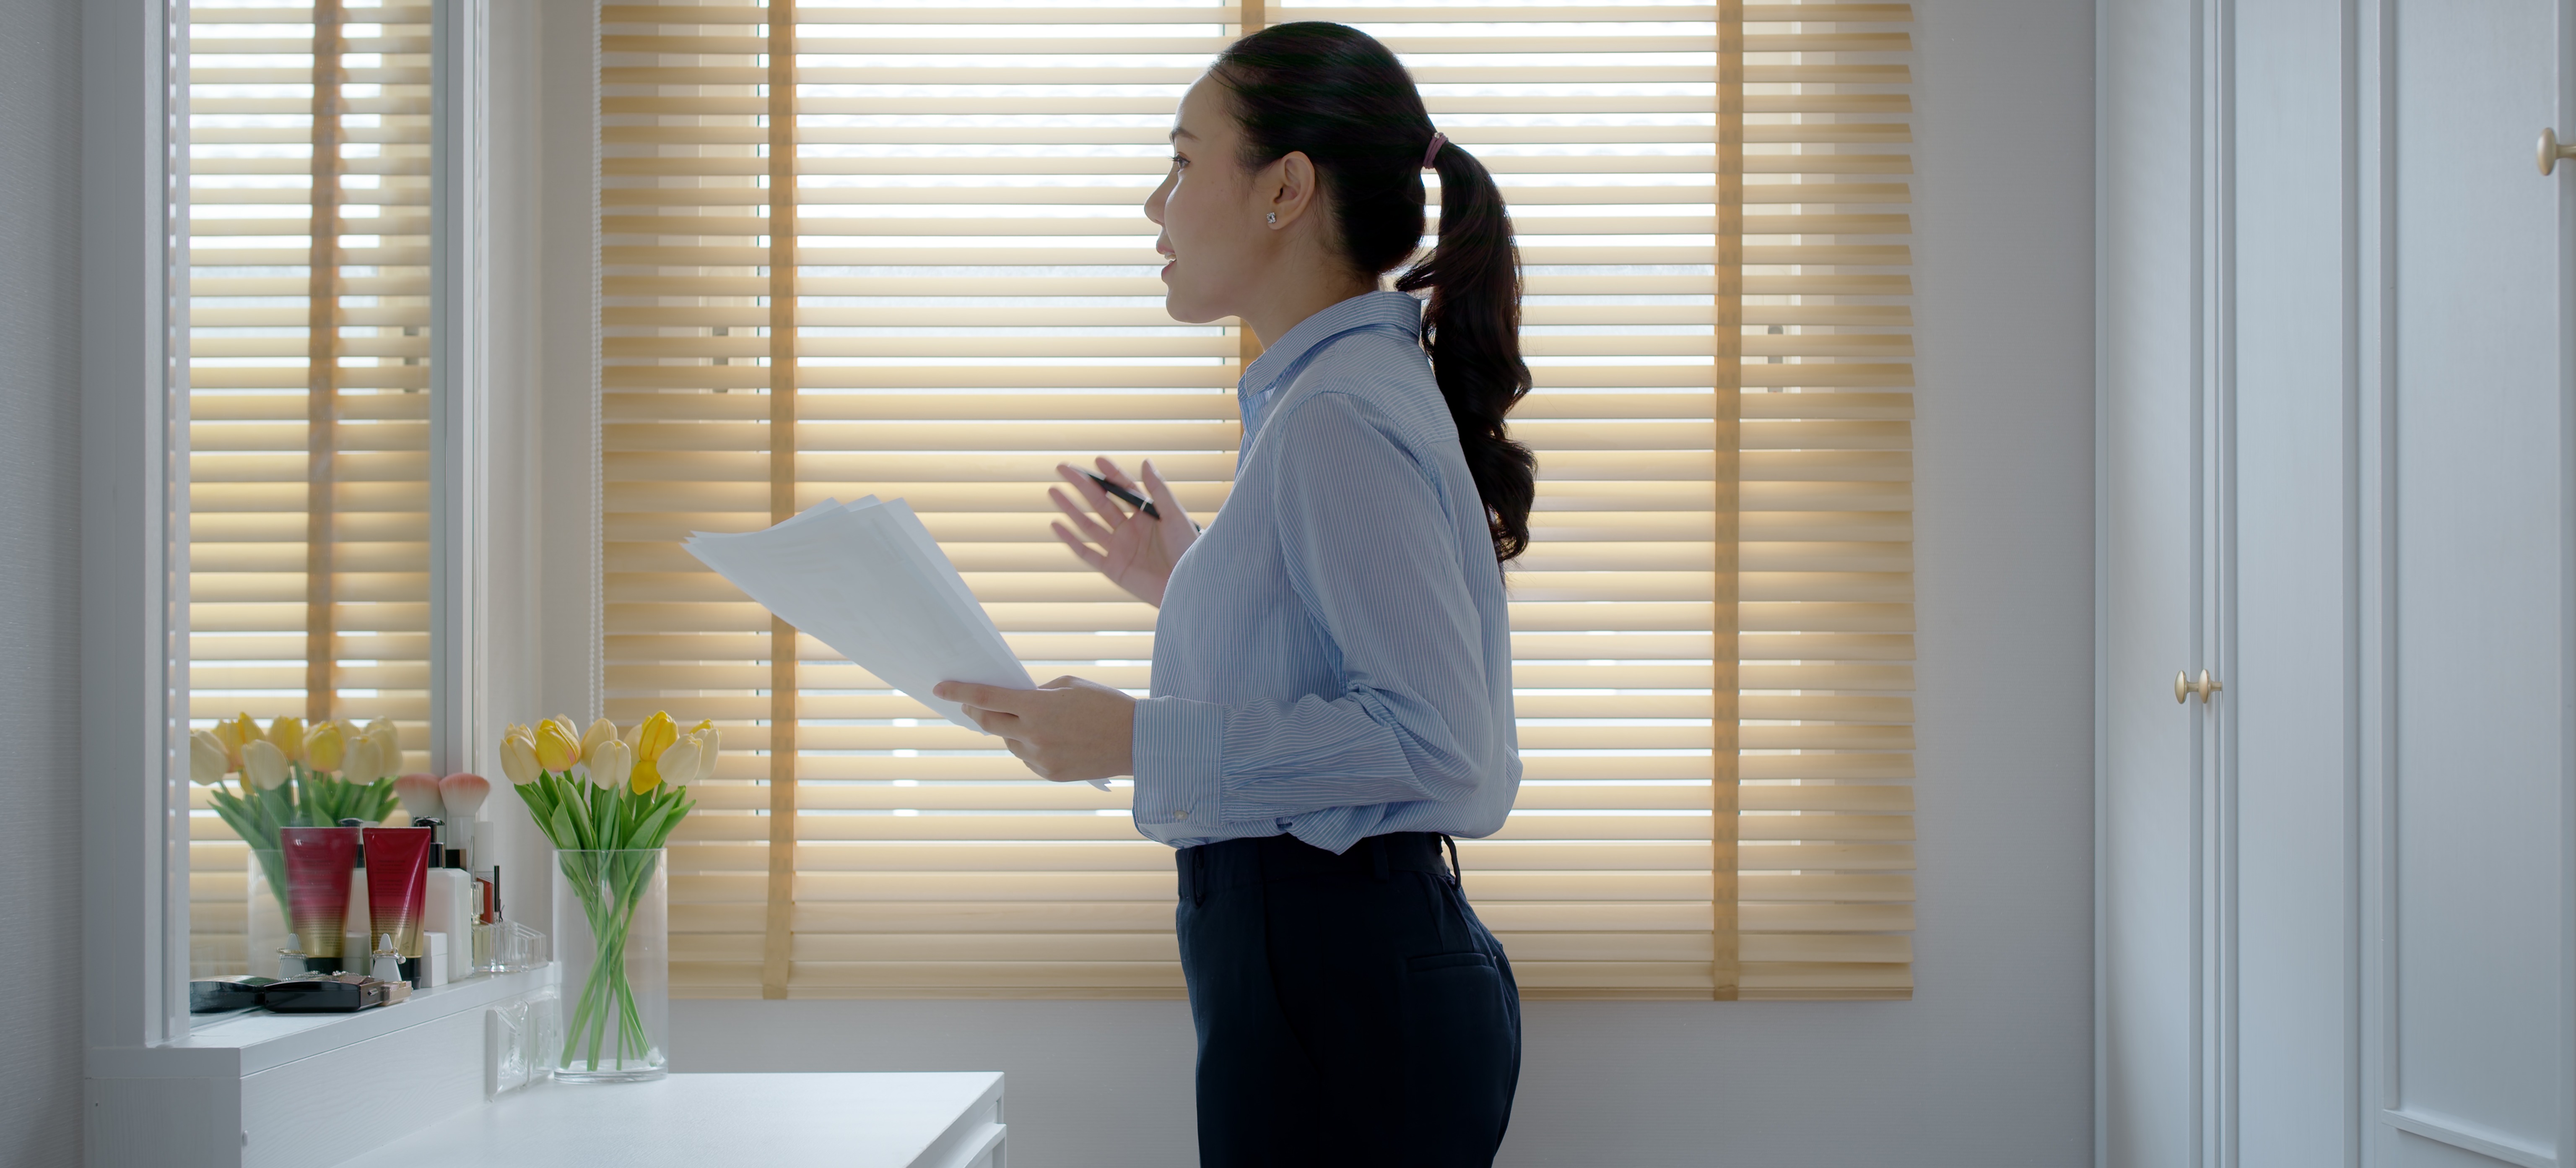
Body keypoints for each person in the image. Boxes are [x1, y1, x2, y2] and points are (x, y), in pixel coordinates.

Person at [930, 21, 1530, 1168]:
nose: (1154, 207)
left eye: (1182, 161)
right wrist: (1198, 583)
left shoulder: (1335, 415)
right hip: (1333, 981)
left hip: (1338, 985)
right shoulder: (1331, 401)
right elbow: (1354, 673)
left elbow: (1444, 746)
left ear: (1285, 189)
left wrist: (1140, 740)